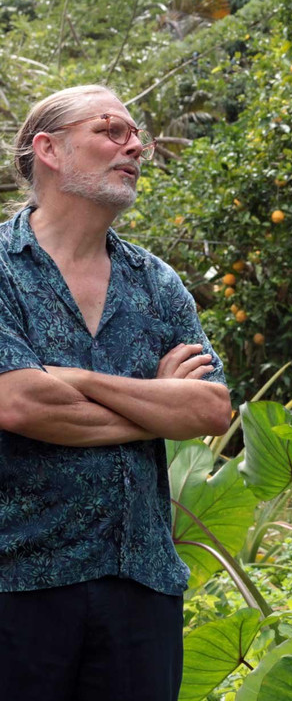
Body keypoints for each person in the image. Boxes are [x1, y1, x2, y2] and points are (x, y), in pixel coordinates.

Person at [0, 85, 232, 701]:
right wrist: (158, 404)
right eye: (111, 130)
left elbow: (210, 408)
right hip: (17, 582)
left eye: (137, 135)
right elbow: (18, 402)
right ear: (48, 148)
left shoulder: (156, 282)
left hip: (141, 584)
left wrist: (72, 379)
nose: (135, 146)